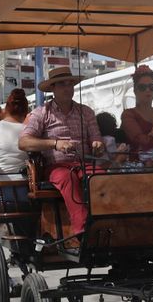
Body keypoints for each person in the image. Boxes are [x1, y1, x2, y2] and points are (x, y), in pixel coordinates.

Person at [19, 66, 105, 249]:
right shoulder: (41, 113)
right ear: (53, 89)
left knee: (100, 177)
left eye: (70, 84)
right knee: (67, 178)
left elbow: (96, 137)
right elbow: (24, 142)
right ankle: (82, 230)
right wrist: (55, 143)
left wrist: (98, 144)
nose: (68, 88)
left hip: (83, 163)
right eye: (62, 85)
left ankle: (106, 223)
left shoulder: (86, 112)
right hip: (56, 166)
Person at [120, 64, 153, 153]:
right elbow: (142, 142)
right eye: (142, 87)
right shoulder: (128, 114)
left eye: (152, 86)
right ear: (135, 91)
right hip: (139, 162)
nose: (147, 90)